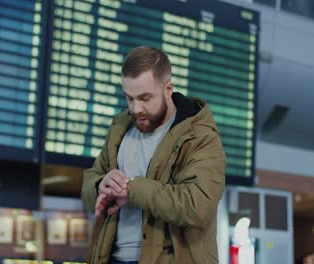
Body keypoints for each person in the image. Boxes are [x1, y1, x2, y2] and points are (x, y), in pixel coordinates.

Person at [81, 46, 226, 264]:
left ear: (168, 89)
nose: (136, 108)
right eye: (129, 98)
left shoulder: (199, 136)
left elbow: (198, 205)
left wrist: (131, 189)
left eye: (145, 98)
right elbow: (89, 187)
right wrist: (101, 185)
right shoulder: (120, 129)